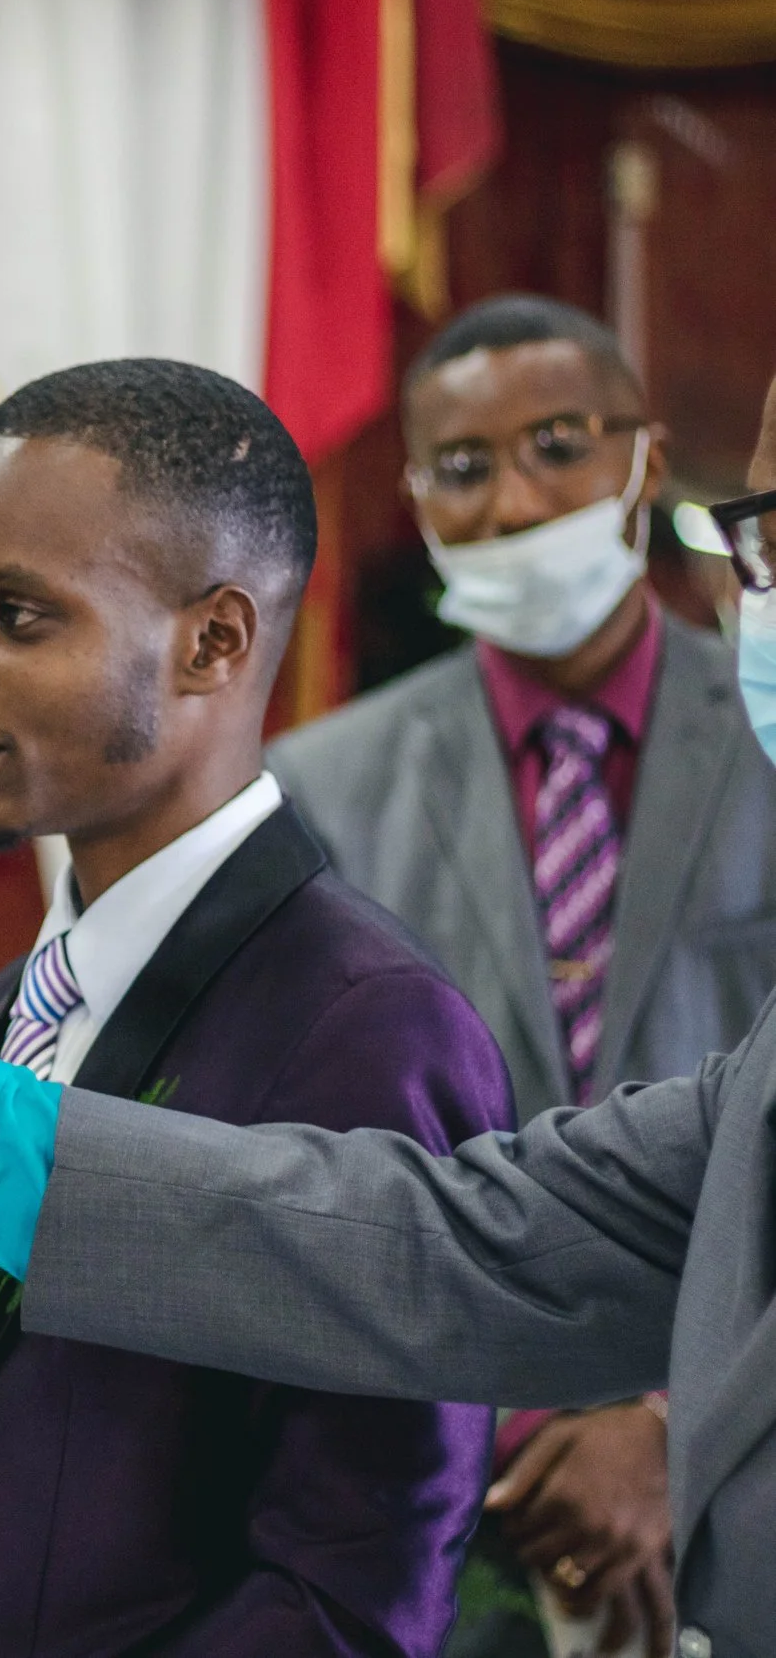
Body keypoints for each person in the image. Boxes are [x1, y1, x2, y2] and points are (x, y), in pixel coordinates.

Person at [0, 370, 776, 1658]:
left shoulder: (365, 1017)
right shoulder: (2, 1015)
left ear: (214, 642)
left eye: (19, 615)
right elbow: (433, 1255)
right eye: (757, 536)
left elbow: (342, 1592)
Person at [270, 297, 776, 1657]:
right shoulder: (319, 786)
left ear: (644, 463)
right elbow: (306, 1146)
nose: (514, 501)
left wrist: (669, 1425)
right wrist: (530, 1428)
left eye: (559, 445)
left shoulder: (767, 723)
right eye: (463, 466)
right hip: (449, 1493)